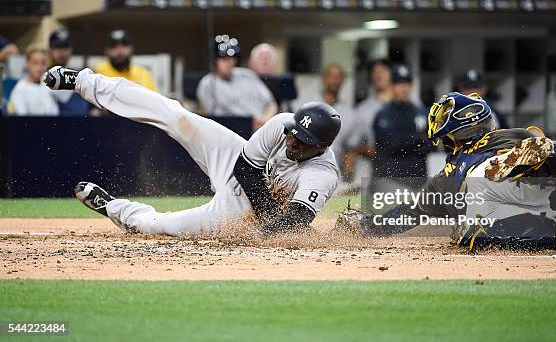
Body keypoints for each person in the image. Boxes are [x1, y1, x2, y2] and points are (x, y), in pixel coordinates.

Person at [43, 65, 341, 239]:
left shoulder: (321, 174)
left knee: (164, 225)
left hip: (244, 213)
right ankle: (83, 81)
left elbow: (296, 218)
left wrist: (255, 235)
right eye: (294, 133)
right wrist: (270, 223)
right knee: (176, 115)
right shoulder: (281, 123)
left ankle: (113, 209)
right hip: (239, 167)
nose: (293, 140)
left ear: (321, 147)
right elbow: (246, 169)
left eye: (303, 141)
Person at [337, 92, 556, 253]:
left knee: (473, 217)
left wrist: (369, 225)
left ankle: (527, 176)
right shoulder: (512, 135)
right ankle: (546, 190)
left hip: (486, 179)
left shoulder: (453, 170)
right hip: (522, 195)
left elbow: (409, 213)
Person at [196, 35, 278, 130]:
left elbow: (271, 104)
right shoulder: (208, 83)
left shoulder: (248, 75)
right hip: (235, 133)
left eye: (232, 58)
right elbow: (216, 119)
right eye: (224, 58)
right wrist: (245, 124)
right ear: (215, 60)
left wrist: (265, 120)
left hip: (264, 128)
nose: (229, 62)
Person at [371, 65, 430, 193]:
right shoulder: (383, 114)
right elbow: (392, 145)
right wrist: (418, 139)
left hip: (418, 180)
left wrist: (407, 139)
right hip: (390, 180)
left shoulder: (421, 112)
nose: (403, 88)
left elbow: (431, 145)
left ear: (411, 85)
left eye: (406, 83)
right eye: (398, 83)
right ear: (391, 86)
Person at [345, 59, 393, 181]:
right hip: (377, 169)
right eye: (375, 72)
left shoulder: (409, 105)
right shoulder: (362, 110)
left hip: (409, 168)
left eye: (382, 71)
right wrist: (362, 149)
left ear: (392, 74)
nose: (378, 75)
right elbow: (353, 145)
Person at [48, 28, 90, 116]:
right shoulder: (40, 76)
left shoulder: (78, 76)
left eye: (65, 47)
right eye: (58, 47)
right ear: (50, 50)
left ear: (71, 49)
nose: (62, 52)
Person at [7, 48, 59, 116]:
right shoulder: (20, 89)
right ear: (27, 64)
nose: (39, 67)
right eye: (35, 63)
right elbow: (22, 119)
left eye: (43, 63)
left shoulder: (49, 85)